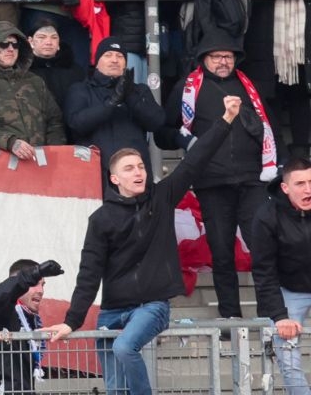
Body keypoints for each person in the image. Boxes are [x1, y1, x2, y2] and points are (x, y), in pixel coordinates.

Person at [46, 94, 243, 395]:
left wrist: (227, 119)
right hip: (112, 310)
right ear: (114, 179)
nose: (138, 172)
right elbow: (89, 274)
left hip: (152, 306)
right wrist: (72, 322)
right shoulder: (101, 219)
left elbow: (195, 160)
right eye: (129, 168)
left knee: (125, 347)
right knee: (114, 385)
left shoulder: (162, 197)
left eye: (141, 166)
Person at [182, 35, 279, 320]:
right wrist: (187, 142)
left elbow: (271, 125)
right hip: (212, 183)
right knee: (222, 254)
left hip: (253, 180)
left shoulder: (251, 87)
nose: (223, 61)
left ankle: (270, 316)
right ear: (204, 59)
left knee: (263, 249)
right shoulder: (188, 88)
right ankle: (230, 319)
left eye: (228, 56)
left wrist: (281, 164)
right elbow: (165, 128)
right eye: (216, 56)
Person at [0, 20, 67, 159]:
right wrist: (10, 143)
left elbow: (55, 121)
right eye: (4, 44)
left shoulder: (35, 81)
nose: (10, 49)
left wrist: (53, 152)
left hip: (41, 162)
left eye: (15, 44)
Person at [251, 157, 311, 395]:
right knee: (287, 357)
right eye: (300, 184)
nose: (308, 189)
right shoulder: (266, 216)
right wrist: (279, 316)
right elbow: (263, 270)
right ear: (285, 188)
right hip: (289, 290)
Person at [0, 258, 65, 395]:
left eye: (43, 285)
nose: (41, 290)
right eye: (34, 284)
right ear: (16, 282)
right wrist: (35, 273)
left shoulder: (30, 317)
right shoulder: (2, 310)